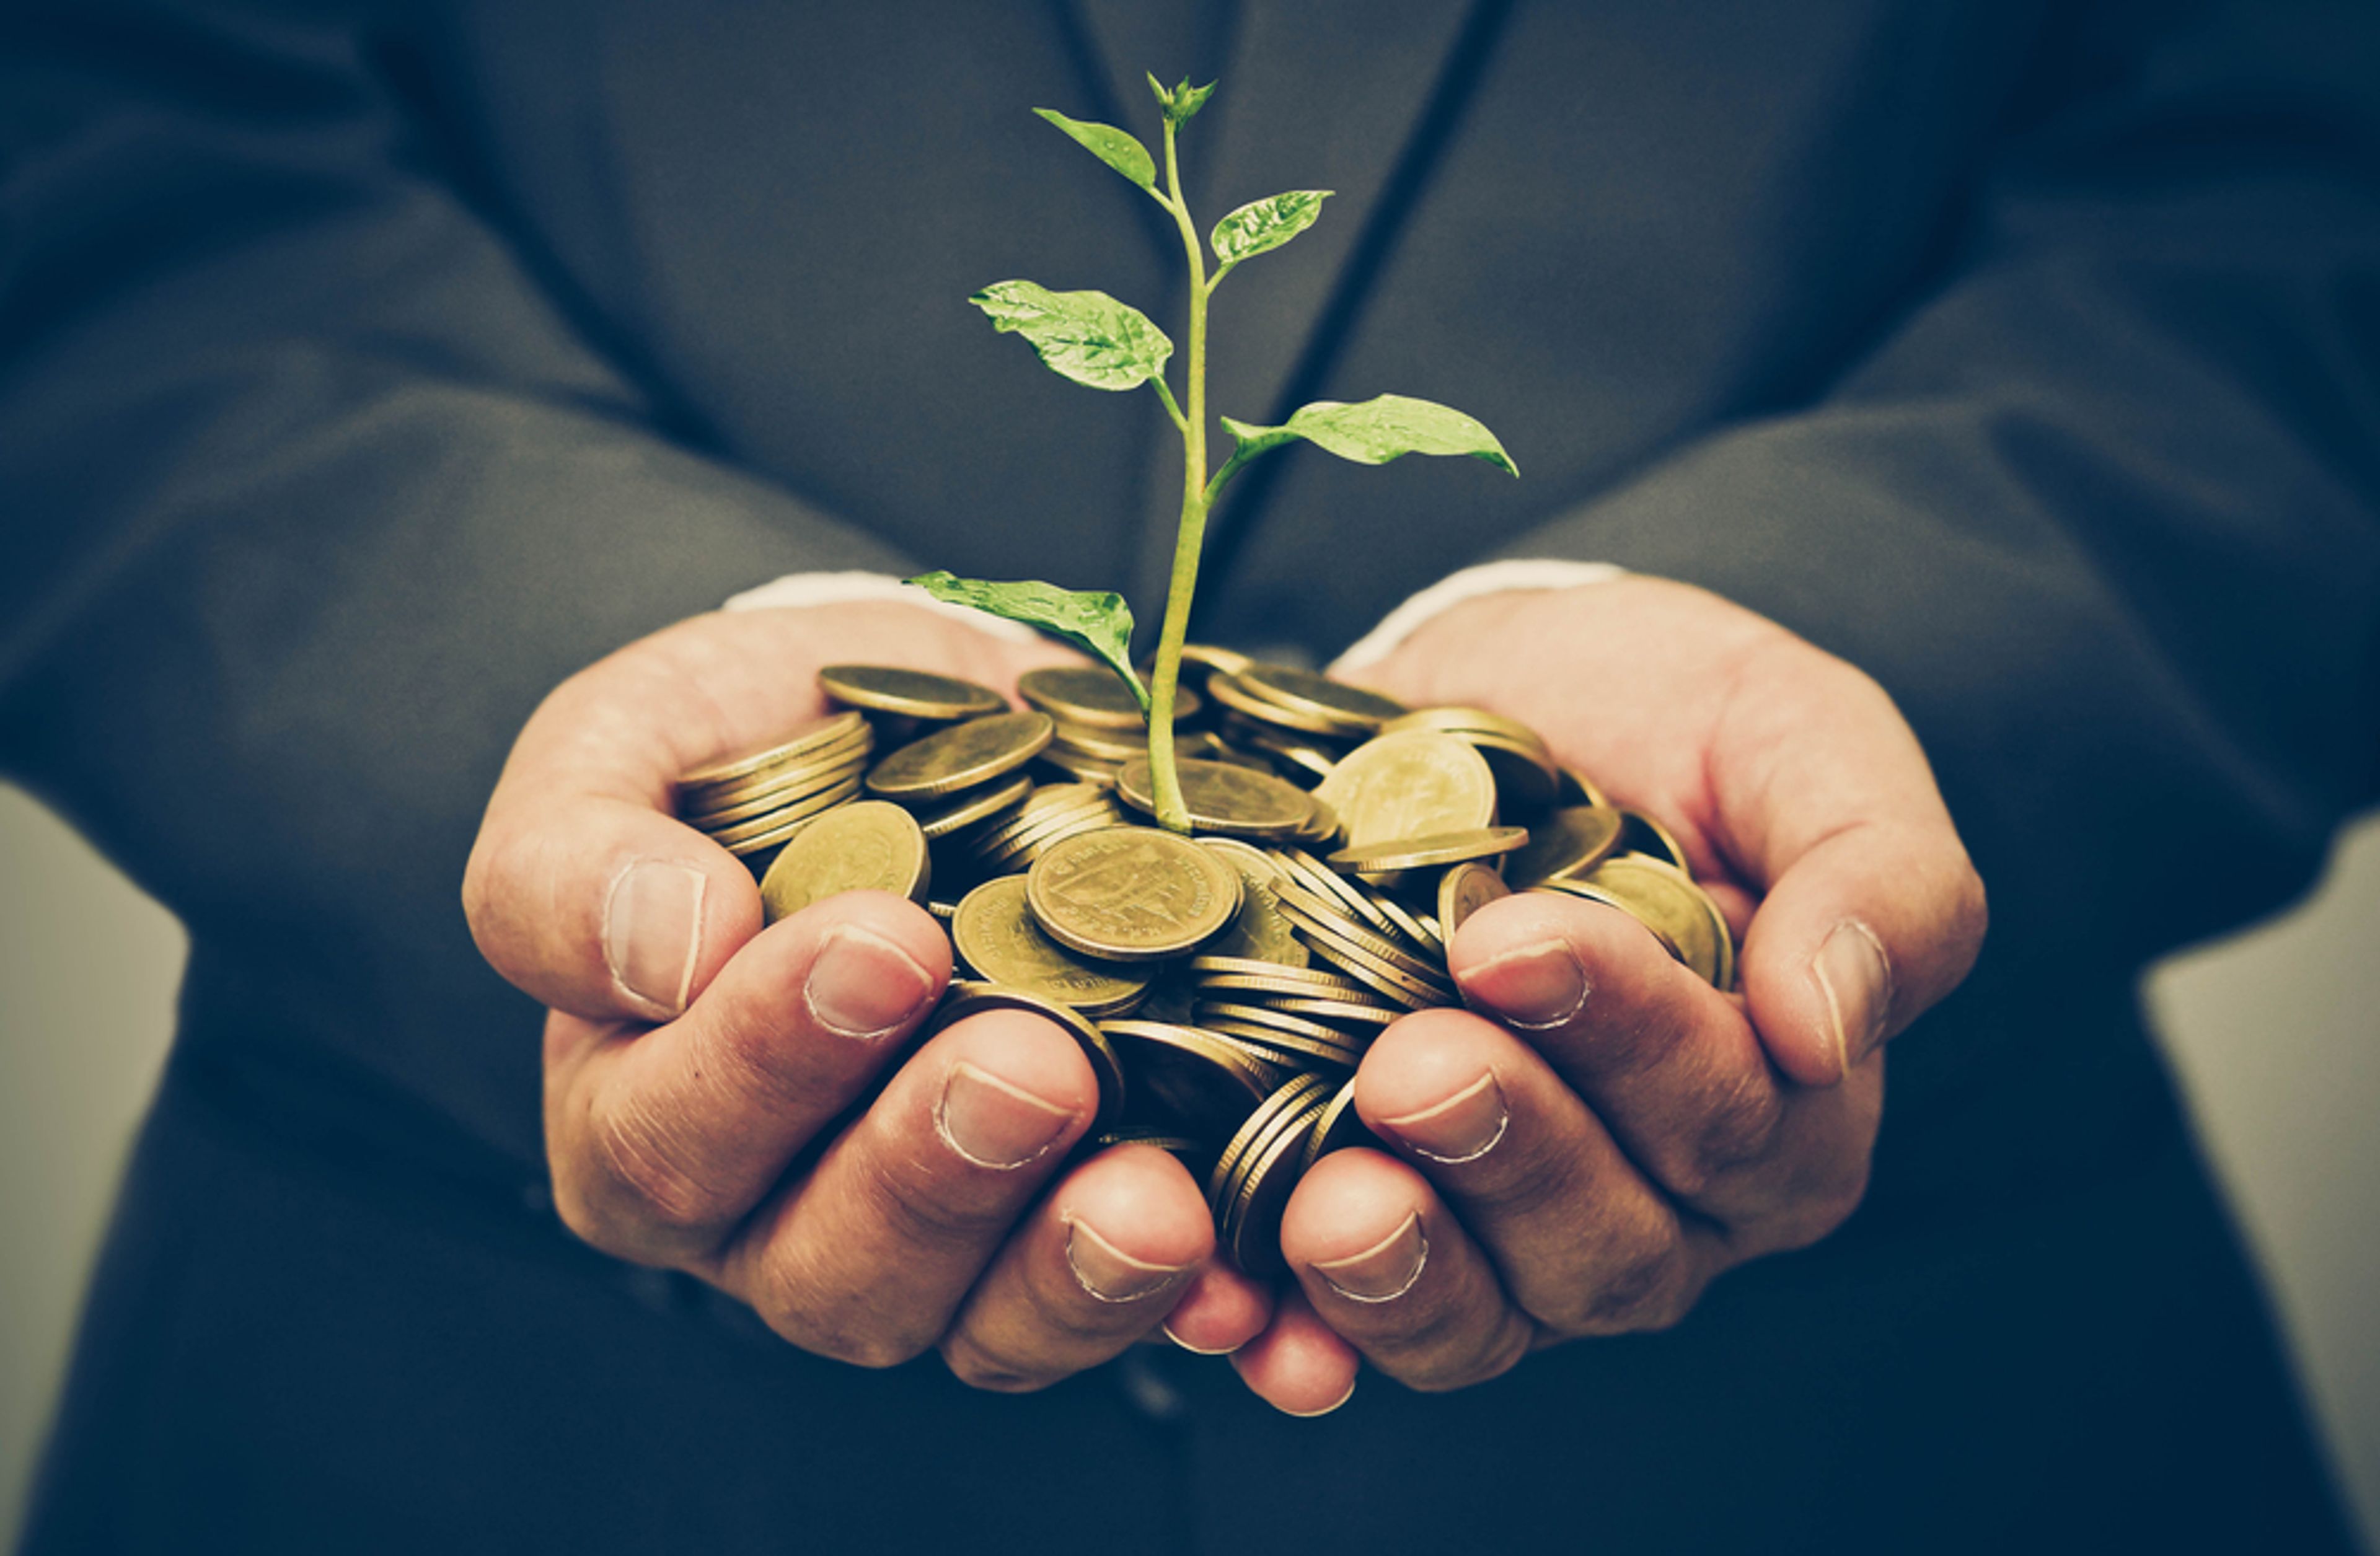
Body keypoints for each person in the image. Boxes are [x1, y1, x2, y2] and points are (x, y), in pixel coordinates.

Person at [4, 1, 2371, 1550]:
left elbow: (2300, 185)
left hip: (1899, 1437)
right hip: (457, 1422)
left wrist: (1829, 686)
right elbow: (92, 166)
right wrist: (621, 706)